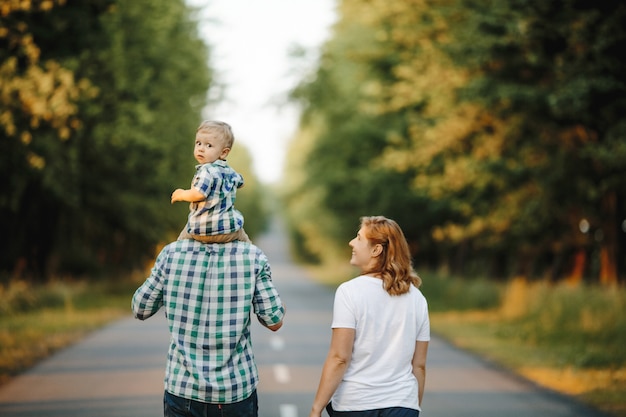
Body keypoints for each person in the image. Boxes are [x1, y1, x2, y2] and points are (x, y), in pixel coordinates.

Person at [132, 237, 285, 417]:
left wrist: (181, 240)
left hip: (183, 389)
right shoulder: (252, 256)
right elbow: (274, 320)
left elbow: (140, 308)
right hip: (233, 390)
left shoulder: (171, 254)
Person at [309, 216, 430, 417]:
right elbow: (419, 365)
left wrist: (316, 409)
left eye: (358, 238)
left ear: (376, 250)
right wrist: (411, 405)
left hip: (356, 405)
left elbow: (340, 358)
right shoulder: (417, 298)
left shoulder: (349, 292)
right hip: (403, 405)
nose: (351, 243)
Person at [171, 120, 249, 243]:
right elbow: (241, 181)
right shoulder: (229, 171)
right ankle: (249, 255)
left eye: (209, 145)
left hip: (201, 230)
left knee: (181, 239)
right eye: (198, 143)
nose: (201, 149)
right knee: (244, 238)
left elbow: (199, 194)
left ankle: (176, 254)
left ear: (224, 153)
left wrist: (181, 194)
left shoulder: (206, 170)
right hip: (228, 230)